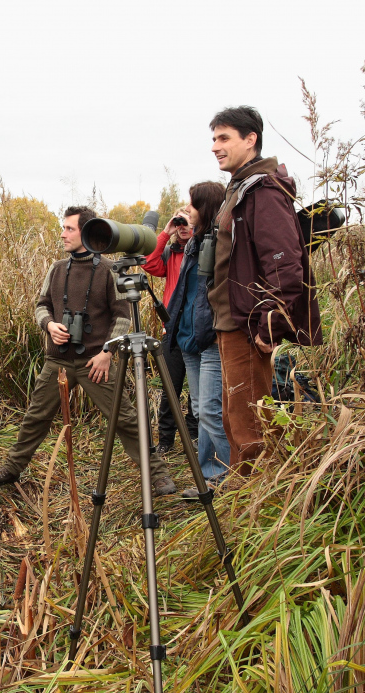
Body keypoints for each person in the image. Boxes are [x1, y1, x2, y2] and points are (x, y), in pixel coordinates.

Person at [0, 207, 178, 496]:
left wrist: (107, 353)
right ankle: (12, 467)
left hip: (95, 362)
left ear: (86, 232)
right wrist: (49, 325)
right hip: (58, 360)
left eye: (69, 229)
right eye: (63, 228)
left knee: (124, 419)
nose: (62, 234)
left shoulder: (109, 270)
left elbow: (123, 316)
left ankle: (157, 475)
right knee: (36, 416)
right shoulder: (57, 268)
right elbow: (41, 305)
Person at [207, 106, 322, 474]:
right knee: (235, 416)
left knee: (251, 422)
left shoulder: (264, 191)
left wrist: (269, 325)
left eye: (223, 138)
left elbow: (285, 265)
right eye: (213, 139)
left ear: (250, 139)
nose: (215, 146)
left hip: (248, 323)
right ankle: (241, 500)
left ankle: (260, 504)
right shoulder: (240, 188)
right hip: (230, 320)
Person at [163, 182, 233, 497]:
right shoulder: (192, 245)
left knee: (210, 410)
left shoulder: (223, 242)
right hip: (188, 339)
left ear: (204, 207)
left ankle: (222, 480)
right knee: (200, 409)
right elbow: (183, 292)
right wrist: (174, 326)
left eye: (192, 205)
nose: (187, 210)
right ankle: (210, 477)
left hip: (210, 339)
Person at [141, 209, 199, 456]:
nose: (182, 226)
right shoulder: (171, 252)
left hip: (199, 328)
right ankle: (166, 439)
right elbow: (149, 263)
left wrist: (196, 229)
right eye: (179, 222)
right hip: (173, 329)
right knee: (170, 387)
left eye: (187, 221)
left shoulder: (204, 248)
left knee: (200, 389)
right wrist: (166, 232)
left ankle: (195, 435)